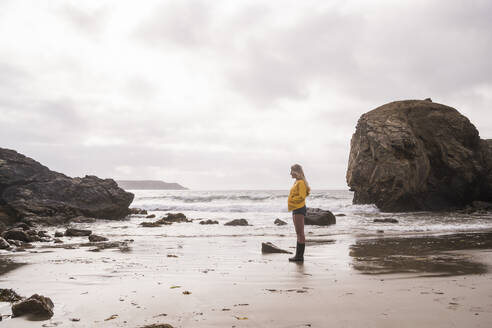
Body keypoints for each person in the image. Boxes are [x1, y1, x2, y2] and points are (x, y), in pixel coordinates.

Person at [287, 164, 310, 262]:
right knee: (298, 232)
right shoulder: (297, 182)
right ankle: (298, 255)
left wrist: (292, 200)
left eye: (291, 171)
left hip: (299, 208)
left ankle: (299, 257)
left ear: (296, 171)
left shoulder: (300, 182)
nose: (290, 173)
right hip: (296, 208)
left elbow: (302, 196)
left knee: (300, 233)